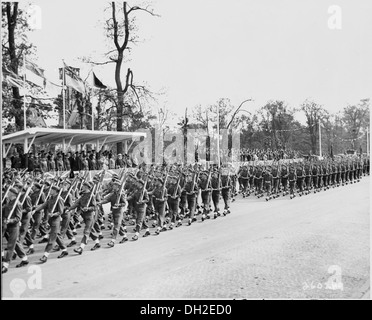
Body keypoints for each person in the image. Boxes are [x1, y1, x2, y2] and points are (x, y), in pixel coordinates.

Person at [32, 185, 65, 263]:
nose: (50, 191)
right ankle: (64, 249)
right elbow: (44, 205)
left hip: (56, 221)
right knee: (56, 237)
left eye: (52, 190)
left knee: (51, 239)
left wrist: (54, 214)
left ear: (55, 191)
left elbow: (60, 211)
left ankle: (45, 256)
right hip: (51, 220)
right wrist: (35, 210)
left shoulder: (59, 199)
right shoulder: (51, 198)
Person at [65, 181, 100, 254]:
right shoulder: (83, 196)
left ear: (87, 187)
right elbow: (76, 204)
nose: (82, 187)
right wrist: (69, 209)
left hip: (90, 216)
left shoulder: (91, 196)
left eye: (83, 186)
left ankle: (81, 248)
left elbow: (94, 207)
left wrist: (88, 208)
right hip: (84, 216)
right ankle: (97, 243)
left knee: (86, 231)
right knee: (91, 231)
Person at [99, 180, 128, 247]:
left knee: (116, 227)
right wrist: (100, 202)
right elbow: (107, 200)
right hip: (114, 211)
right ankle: (124, 236)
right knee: (118, 225)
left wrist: (119, 205)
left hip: (119, 212)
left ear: (118, 186)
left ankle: (113, 241)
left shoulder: (121, 194)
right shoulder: (113, 193)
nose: (113, 186)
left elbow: (124, 203)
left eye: (114, 185)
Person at [2, 188, 23, 273]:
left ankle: (6, 265)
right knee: (16, 243)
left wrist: (10, 220)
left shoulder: (17, 204)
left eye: (9, 192)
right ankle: (24, 258)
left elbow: (18, 218)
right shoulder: (8, 203)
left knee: (10, 245)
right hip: (6, 226)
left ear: (13, 194)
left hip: (14, 226)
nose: (7, 193)